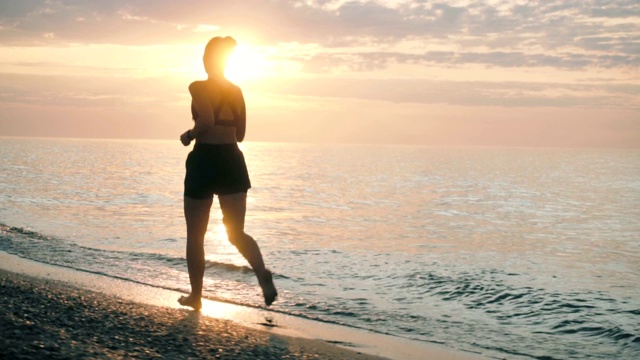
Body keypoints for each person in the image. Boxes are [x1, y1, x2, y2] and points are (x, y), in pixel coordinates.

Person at [178, 36, 277, 310]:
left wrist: (189, 134)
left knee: (195, 235)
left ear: (207, 59)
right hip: (233, 160)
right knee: (236, 233)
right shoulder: (236, 90)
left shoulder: (198, 86)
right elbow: (242, 135)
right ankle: (262, 273)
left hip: (205, 160)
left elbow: (207, 121)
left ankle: (196, 297)